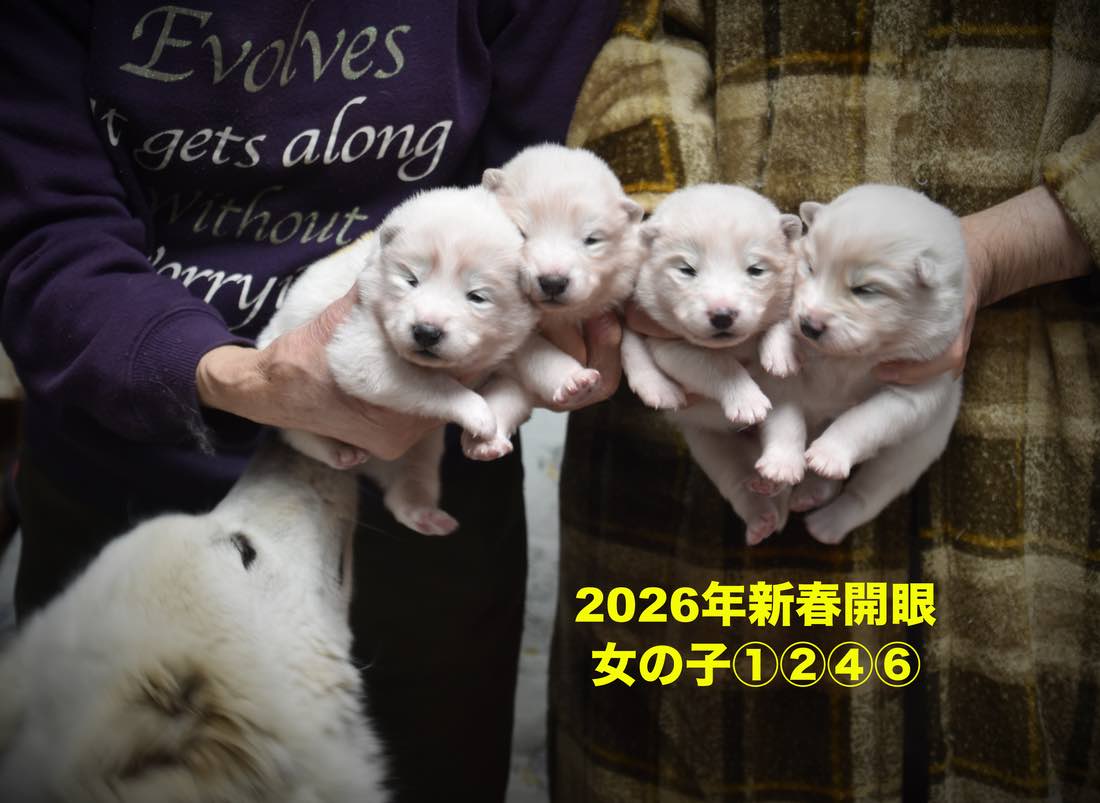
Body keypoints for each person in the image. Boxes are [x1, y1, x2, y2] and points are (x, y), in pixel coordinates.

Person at [0, 2, 619, 800]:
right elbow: (42, 226)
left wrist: (562, 327)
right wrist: (231, 377)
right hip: (126, 459)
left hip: (415, 468)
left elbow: (542, 194)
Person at [551, 1, 1099, 801]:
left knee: (1002, 721)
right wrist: (661, 239)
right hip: (689, 420)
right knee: (685, 729)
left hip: (1028, 366)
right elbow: (643, 36)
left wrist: (1001, 249)